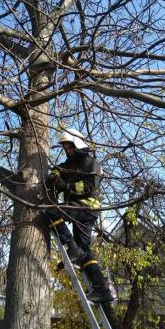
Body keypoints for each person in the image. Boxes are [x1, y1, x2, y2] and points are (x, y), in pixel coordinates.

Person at [43, 129, 117, 304]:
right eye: (66, 148)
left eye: (70, 147)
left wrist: (66, 186)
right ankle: (101, 289)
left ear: (78, 144)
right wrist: (54, 177)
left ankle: (71, 246)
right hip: (77, 208)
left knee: (52, 212)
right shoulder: (68, 164)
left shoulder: (92, 163)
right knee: (85, 253)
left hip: (87, 207)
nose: (68, 151)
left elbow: (90, 187)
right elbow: (59, 173)